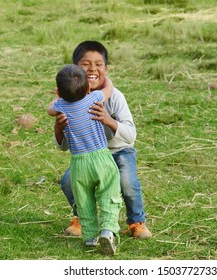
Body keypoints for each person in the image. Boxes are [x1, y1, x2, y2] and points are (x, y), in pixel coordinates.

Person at [54, 41, 152, 239]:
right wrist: (59, 127)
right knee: (68, 181)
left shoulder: (115, 97)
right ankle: (82, 218)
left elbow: (131, 134)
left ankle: (136, 221)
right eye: (85, 64)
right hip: (89, 158)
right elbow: (63, 146)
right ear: (75, 70)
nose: (92, 69)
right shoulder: (68, 101)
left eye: (98, 64)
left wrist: (109, 121)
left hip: (118, 151)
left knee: (127, 182)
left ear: (106, 69)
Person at [48, 64, 121, 255]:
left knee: (84, 200)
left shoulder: (60, 107)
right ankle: (107, 230)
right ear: (88, 88)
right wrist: (106, 80)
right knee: (109, 193)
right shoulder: (93, 98)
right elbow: (108, 90)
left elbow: (49, 109)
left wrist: (57, 100)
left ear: (59, 92)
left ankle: (90, 237)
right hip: (101, 158)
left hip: (79, 164)